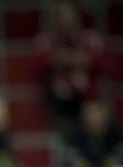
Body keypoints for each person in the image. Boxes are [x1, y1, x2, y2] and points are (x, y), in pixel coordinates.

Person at [31, 1, 112, 131]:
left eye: (70, 16)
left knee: (94, 111)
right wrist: (54, 59)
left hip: (87, 97)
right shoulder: (46, 40)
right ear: (56, 19)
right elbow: (34, 68)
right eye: (62, 16)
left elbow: (109, 65)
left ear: (77, 17)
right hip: (57, 100)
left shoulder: (90, 38)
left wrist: (87, 59)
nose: (66, 21)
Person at [62, 99, 123, 167]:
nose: (95, 120)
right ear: (84, 119)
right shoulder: (74, 135)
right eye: (91, 120)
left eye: (98, 120)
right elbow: (70, 157)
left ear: (105, 118)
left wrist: (106, 166)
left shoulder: (117, 134)